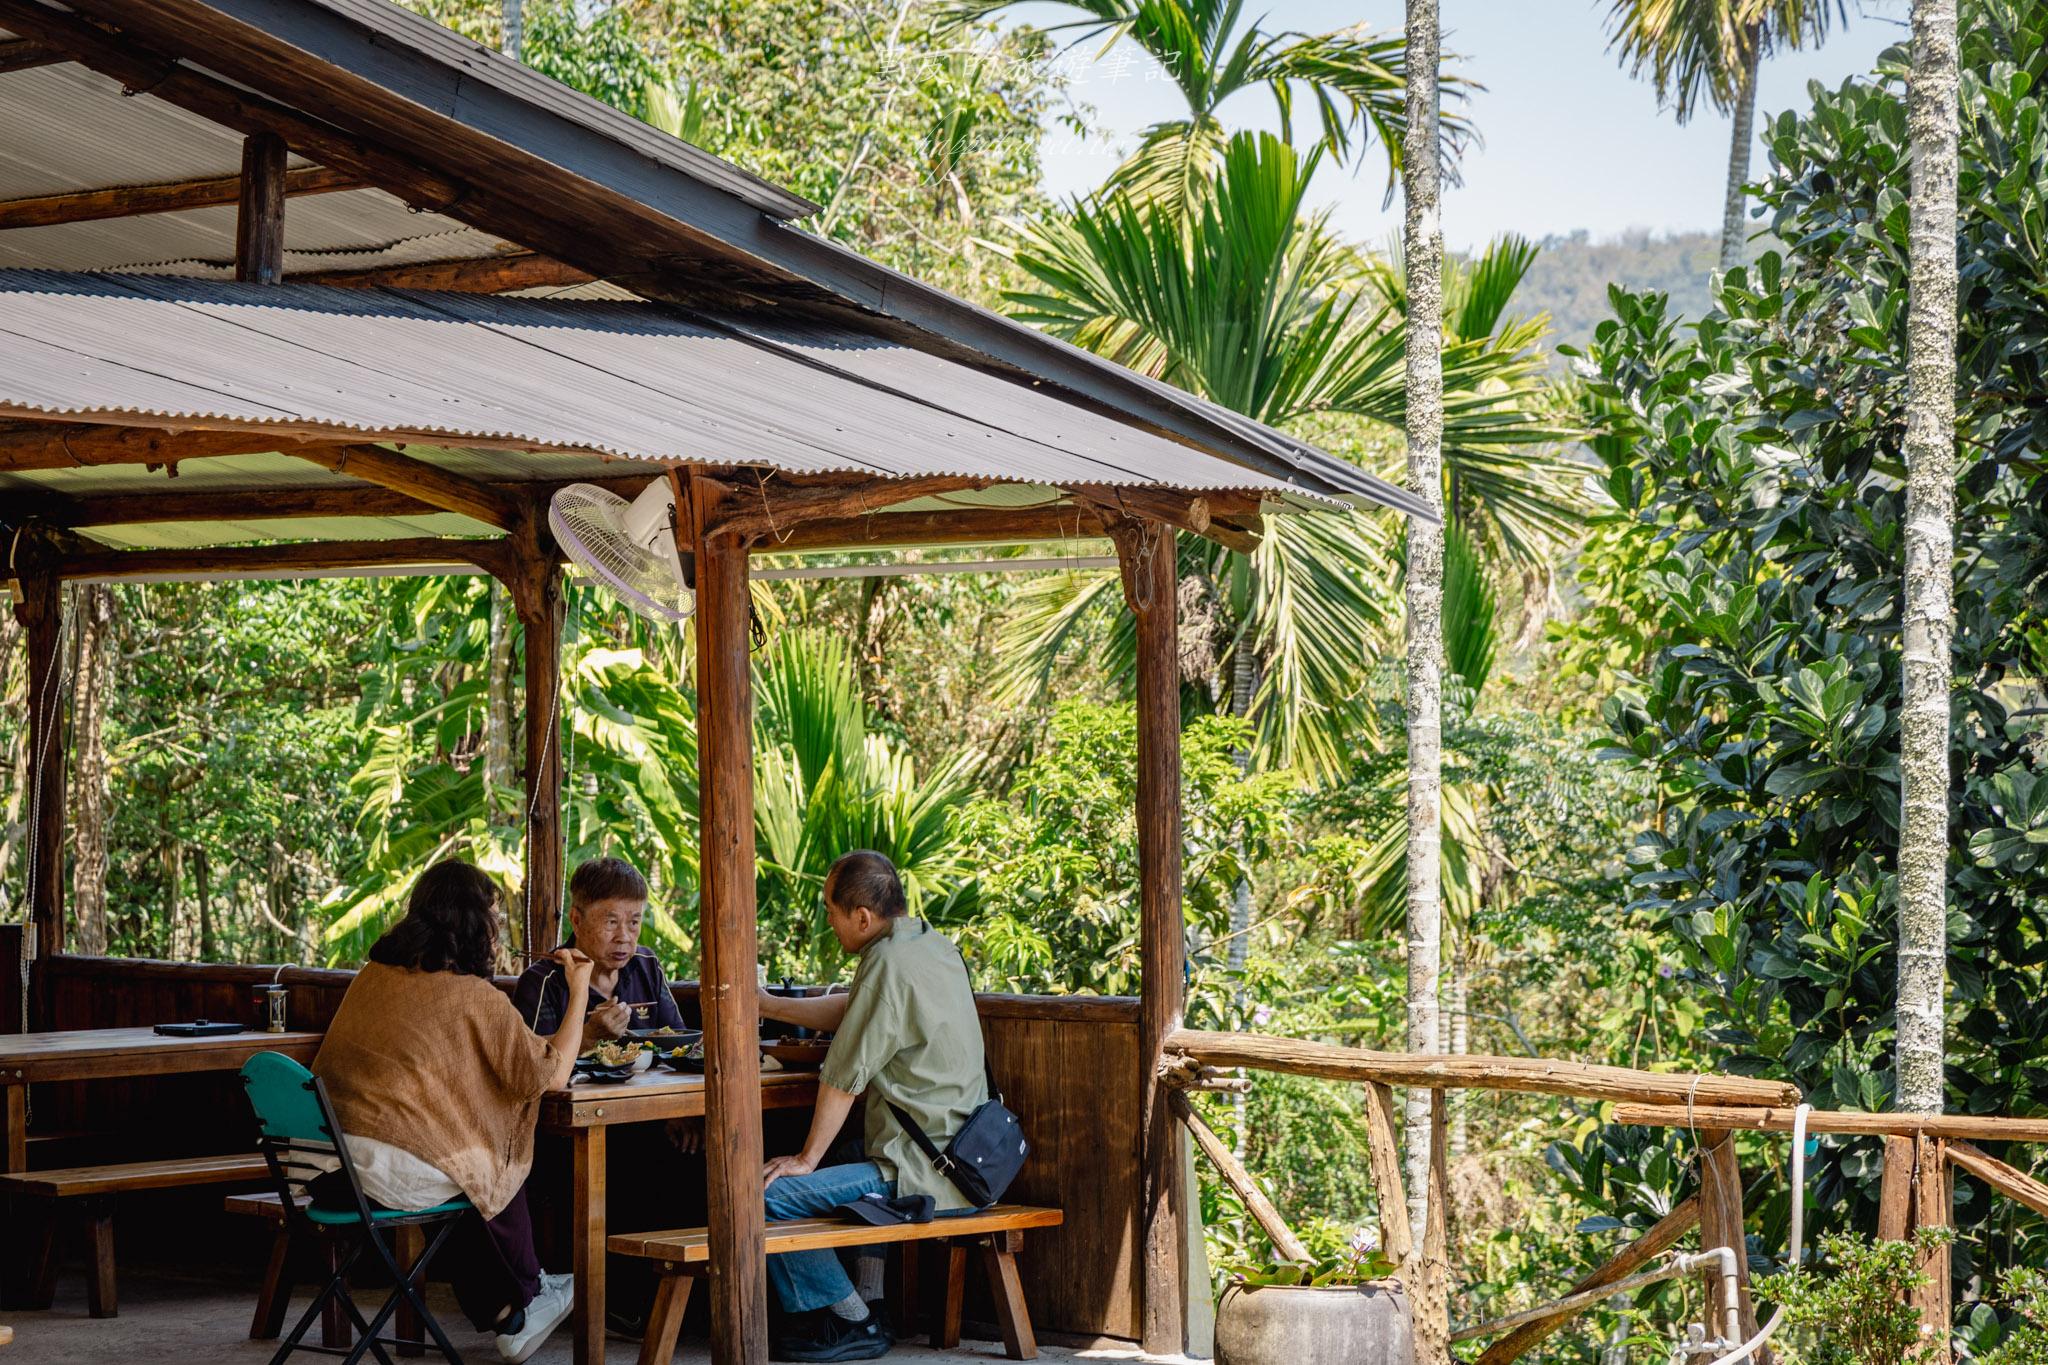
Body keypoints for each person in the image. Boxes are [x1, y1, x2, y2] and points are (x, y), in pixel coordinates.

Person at [313, 860, 591, 1365]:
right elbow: (547, 1076)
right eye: (494, 917)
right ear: (474, 923)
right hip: (391, 1172)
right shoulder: (473, 997)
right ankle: (524, 1298)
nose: (499, 928)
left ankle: (517, 1303)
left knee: (463, 1154)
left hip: (326, 1160)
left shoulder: (371, 978)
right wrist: (579, 993)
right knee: (480, 1153)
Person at [754, 850, 988, 1364]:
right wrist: (768, 1004)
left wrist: (805, 1160)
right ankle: (872, 1303)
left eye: (831, 911)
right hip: (963, 1158)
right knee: (845, 1160)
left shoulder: (884, 961)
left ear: (861, 916)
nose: (829, 922)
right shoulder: (930, 945)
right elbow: (856, 1008)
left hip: (923, 1172)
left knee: (763, 1197)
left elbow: (842, 1080)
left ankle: (848, 1319)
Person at [512, 856, 685, 1039]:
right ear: (577, 921)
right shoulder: (542, 982)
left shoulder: (647, 965)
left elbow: (678, 1039)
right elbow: (531, 1059)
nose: (624, 937)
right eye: (611, 922)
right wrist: (589, 1036)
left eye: (634, 922)